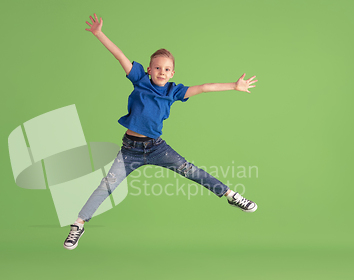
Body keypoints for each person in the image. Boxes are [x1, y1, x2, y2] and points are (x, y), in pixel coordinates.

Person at [64, 13, 258, 250]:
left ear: (172, 74)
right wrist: (99, 34)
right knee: (107, 185)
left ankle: (231, 195)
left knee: (191, 171)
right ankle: (78, 224)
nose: (162, 72)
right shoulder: (140, 80)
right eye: (157, 67)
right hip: (130, 150)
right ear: (149, 69)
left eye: (167, 69)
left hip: (156, 148)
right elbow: (120, 56)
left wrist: (234, 86)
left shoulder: (173, 92)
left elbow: (205, 88)